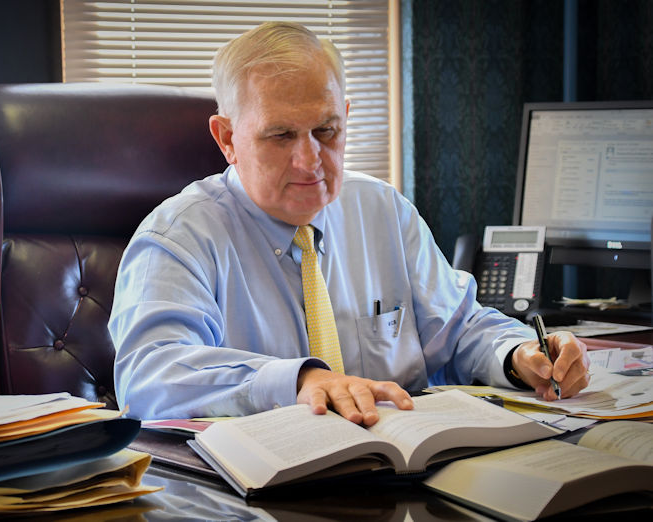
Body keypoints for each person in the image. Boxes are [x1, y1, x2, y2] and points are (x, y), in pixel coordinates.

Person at [109, 21, 590, 425]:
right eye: (280, 135)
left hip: (407, 471)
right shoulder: (179, 236)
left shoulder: (383, 210)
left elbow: (461, 330)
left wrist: (519, 353)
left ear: (346, 118)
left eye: (326, 130)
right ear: (228, 138)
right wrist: (300, 381)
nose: (309, 160)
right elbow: (150, 376)